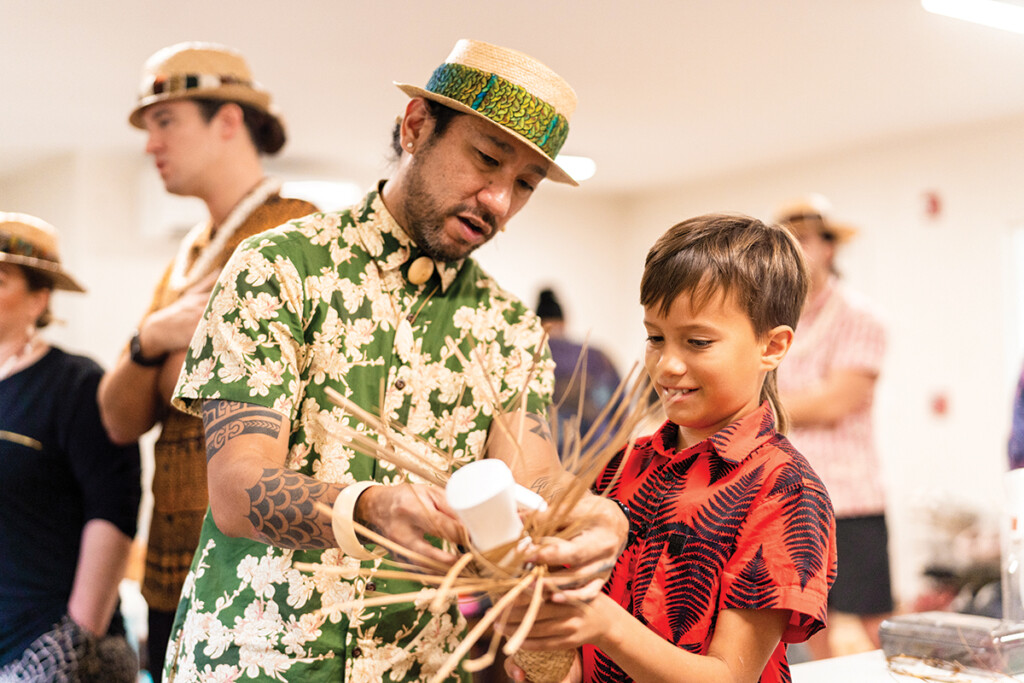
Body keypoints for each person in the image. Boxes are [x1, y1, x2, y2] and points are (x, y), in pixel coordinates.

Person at [164, 39, 629, 682]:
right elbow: (237, 490)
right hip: (257, 660)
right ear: (415, 127)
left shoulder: (511, 327)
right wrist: (369, 508)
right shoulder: (280, 266)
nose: (499, 200)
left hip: (425, 665)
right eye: (487, 159)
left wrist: (591, 514)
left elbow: (532, 479)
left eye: (525, 183)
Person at [502, 214, 837, 683]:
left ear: (773, 346)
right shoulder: (623, 465)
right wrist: (566, 663)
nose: (666, 365)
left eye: (697, 342)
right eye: (655, 338)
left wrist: (606, 626)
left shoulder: (785, 490)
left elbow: (729, 677)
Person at [96, 42, 317, 681]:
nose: (150, 144)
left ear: (229, 120)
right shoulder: (187, 257)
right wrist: (152, 336)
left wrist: (159, 357)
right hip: (172, 570)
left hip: (255, 570)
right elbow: (118, 416)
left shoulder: (295, 233)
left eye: (166, 121)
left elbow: (176, 386)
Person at [0, 212, 142, 682]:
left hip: (47, 644)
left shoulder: (75, 384)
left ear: (39, 298)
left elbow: (114, 509)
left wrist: (75, 640)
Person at [774, 194, 891, 658]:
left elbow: (835, 402)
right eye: (788, 240)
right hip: (790, 491)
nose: (797, 250)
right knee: (809, 619)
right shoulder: (776, 318)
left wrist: (763, 408)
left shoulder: (859, 316)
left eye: (805, 238)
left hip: (851, 495)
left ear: (829, 247)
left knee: (871, 622)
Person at [535, 288, 623, 453]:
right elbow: (621, 410)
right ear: (564, 322)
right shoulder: (598, 358)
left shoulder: (527, 360)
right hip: (599, 454)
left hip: (544, 457)